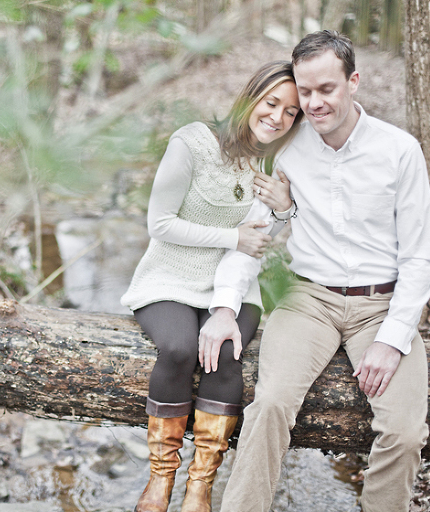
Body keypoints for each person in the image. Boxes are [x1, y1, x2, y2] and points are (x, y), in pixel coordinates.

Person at [200, 31, 430, 512]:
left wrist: (392, 339)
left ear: (353, 82)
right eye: (304, 92)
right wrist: (224, 307)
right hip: (308, 301)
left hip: (382, 304)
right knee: (268, 406)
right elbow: (253, 239)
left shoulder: (399, 151)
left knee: (405, 431)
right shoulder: (286, 151)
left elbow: (421, 257)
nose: (313, 103)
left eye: (325, 89)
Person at [120, 60, 303, 512]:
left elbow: (260, 242)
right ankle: (161, 478)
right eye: (272, 102)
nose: (278, 117)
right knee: (180, 349)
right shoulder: (193, 142)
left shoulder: (275, 161)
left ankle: (200, 485)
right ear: (250, 96)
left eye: (291, 112)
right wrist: (230, 236)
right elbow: (159, 224)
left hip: (235, 284)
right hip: (170, 274)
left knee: (226, 355)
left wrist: (283, 211)